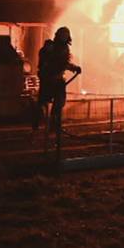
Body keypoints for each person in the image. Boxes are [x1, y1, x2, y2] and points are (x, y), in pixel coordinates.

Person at [35, 27, 81, 158]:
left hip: (58, 80)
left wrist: (74, 68)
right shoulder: (50, 48)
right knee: (42, 103)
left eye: (66, 35)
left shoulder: (64, 49)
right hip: (48, 79)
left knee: (59, 103)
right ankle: (37, 126)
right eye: (62, 34)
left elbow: (64, 63)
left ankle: (54, 125)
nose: (64, 37)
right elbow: (47, 63)